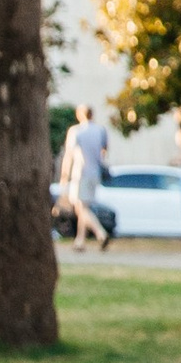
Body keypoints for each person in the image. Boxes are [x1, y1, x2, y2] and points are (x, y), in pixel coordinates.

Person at [56, 103, 110, 252]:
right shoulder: (100, 130)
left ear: (80, 115)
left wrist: (64, 175)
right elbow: (104, 150)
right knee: (82, 206)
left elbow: (69, 155)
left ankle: (100, 233)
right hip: (95, 173)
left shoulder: (76, 131)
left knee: (81, 207)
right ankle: (80, 241)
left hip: (81, 172)